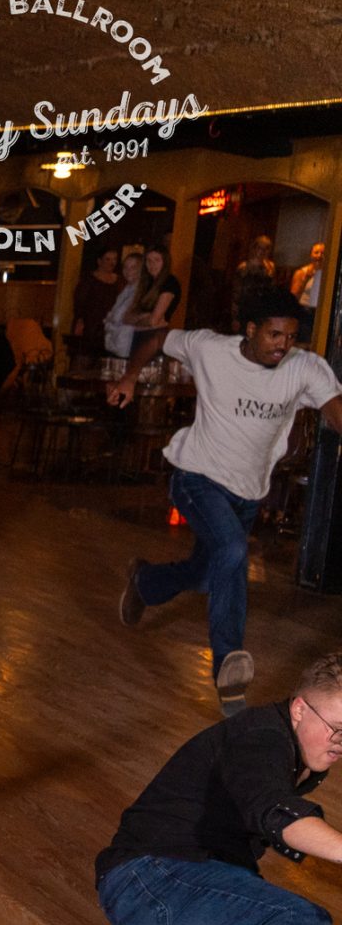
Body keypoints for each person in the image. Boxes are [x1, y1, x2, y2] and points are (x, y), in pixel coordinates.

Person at [89, 649, 342, 925]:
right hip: (148, 878)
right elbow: (275, 812)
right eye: (337, 728)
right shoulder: (260, 739)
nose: (340, 743)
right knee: (298, 916)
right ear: (300, 709)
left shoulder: (298, 753)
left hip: (196, 879)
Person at [113, 290, 342, 707]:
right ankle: (228, 665)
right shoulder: (209, 348)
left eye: (291, 337)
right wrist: (130, 376)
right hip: (196, 478)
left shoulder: (304, 367)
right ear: (250, 330)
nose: (283, 345)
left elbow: (335, 410)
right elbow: (156, 337)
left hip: (247, 494)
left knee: (208, 573)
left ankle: (145, 582)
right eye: (274, 335)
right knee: (234, 549)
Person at [67, 246, 121, 355]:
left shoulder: (120, 281)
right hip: (91, 326)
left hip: (111, 327)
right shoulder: (89, 280)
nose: (112, 263)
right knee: (85, 356)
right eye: (108, 259)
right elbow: (79, 303)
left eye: (114, 259)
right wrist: (80, 321)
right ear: (99, 261)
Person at [101, 244, 151, 359]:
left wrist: (113, 320)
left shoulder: (142, 291)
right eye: (126, 267)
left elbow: (120, 316)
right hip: (114, 343)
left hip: (128, 346)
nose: (128, 271)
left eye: (133, 267)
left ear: (141, 269)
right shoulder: (126, 289)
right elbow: (113, 315)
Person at [292, 242, 326, 313]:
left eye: (322, 253)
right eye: (316, 253)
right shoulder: (301, 272)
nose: (319, 256)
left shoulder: (329, 274)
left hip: (322, 311)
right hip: (304, 310)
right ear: (311, 255)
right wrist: (306, 279)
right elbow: (293, 297)